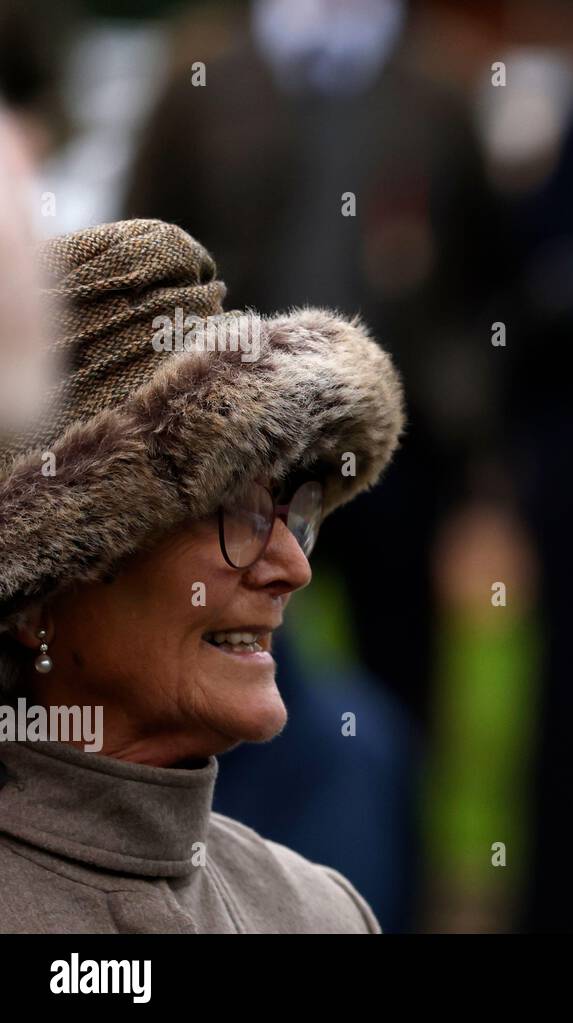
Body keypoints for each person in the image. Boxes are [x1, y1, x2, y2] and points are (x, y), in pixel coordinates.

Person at [0, 218, 405, 933]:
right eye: (237, 509)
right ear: (38, 594)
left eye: (291, 508)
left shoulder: (321, 914)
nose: (293, 567)